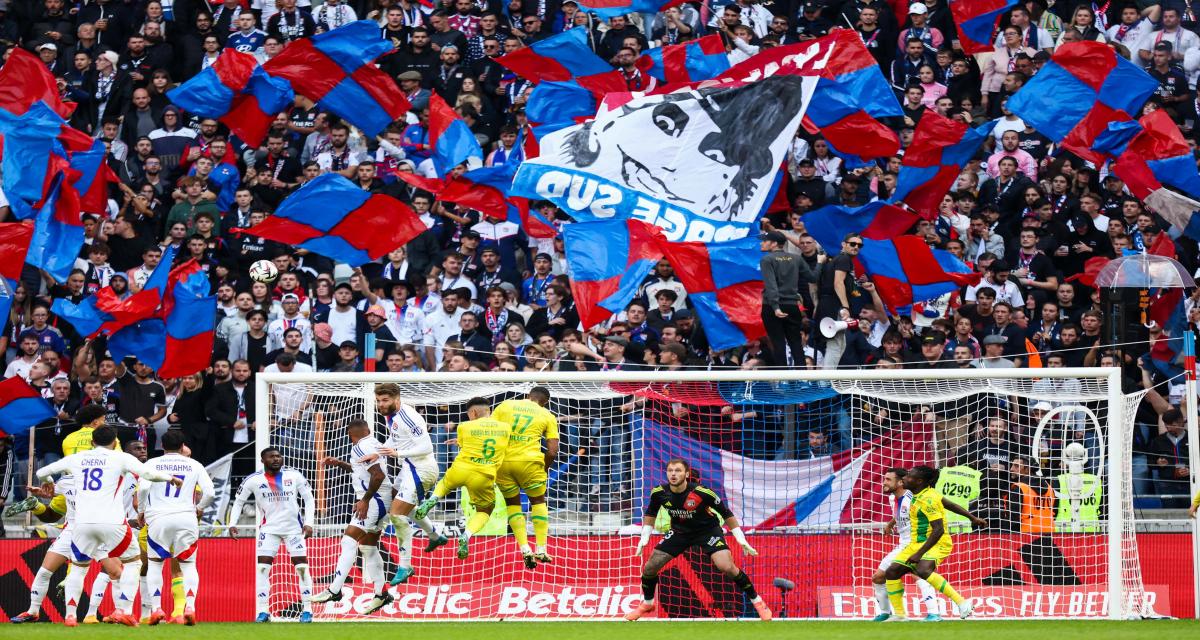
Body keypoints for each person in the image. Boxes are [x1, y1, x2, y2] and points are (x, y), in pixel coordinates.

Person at [34, 426, 181, 626]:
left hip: (82, 523)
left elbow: (42, 471)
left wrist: (49, 482)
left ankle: (70, 615)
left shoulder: (77, 459)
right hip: (112, 523)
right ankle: (125, 610)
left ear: (92, 442)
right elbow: (148, 473)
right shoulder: (120, 458)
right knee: (133, 562)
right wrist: (170, 478)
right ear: (114, 442)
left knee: (78, 568)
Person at [626, 458, 770, 621]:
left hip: (707, 531)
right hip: (679, 532)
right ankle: (648, 603)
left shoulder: (702, 492)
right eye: (670, 470)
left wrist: (740, 538)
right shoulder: (659, 492)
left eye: (678, 470)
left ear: (687, 474)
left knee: (726, 566)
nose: (673, 474)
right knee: (650, 567)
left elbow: (726, 513)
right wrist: (644, 536)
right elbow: (651, 513)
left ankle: (758, 602)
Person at [872, 467, 986, 621]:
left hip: (937, 542)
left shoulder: (928, 499)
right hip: (916, 542)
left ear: (919, 481)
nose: (905, 478)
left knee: (922, 570)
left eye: (909, 477)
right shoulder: (918, 494)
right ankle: (899, 615)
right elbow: (949, 504)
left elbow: (938, 530)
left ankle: (961, 603)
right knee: (892, 572)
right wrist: (972, 517)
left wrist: (919, 554)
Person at [360, 383, 448, 584]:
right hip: (408, 467)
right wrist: (380, 451)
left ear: (397, 399)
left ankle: (405, 566)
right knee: (398, 504)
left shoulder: (409, 416)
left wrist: (398, 454)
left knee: (397, 514)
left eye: (385, 400)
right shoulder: (391, 416)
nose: (381, 405)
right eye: (378, 401)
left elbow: (426, 446)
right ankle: (434, 535)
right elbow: (395, 438)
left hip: (422, 470)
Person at [311, 419, 394, 614]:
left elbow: (378, 475)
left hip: (374, 501)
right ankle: (380, 594)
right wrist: (340, 464)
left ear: (349, 433)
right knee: (367, 546)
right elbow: (364, 471)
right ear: (368, 430)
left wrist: (365, 500)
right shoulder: (372, 443)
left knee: (348, 541)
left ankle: (334, 589)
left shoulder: (359, 446)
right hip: (383, 500)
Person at [412, 397, 510, 560]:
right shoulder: (506, 428)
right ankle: (466, 536)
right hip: (484, 475)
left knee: (444, 483)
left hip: (461, 469)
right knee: (485, 511)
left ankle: (433, 499)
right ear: (489, 411)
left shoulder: (464, 426)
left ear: (472, 412)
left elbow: (470, 443)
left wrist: (459, 442)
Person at [228, 447, 316, 623]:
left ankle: (307, 610)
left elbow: (309, 498)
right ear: (263, 461)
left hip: (294, 530)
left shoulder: (294, 475)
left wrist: (309, 522)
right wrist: (232, 523)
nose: (276, 459)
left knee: (302, 568)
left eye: (278, 456)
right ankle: (263, 611)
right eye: (271, 457)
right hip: (269, 530)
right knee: (262, 569)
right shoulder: (253, 480)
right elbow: (238, 502)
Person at [136, 430, 214, 625]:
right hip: (186, 518)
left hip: (159, 518)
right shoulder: (194, 464)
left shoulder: (151, 464)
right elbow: (210, 493)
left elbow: (144, 489)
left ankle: (156, 609)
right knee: (188, 565)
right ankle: (190, 607)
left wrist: (142, 511)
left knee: (155, 564)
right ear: (182, 447)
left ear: (162, 446)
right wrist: (199, 508)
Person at [493, 386, 559, 568]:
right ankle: (541, 547)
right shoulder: (547, 415)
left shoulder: (505, 405)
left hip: (503, 463)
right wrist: (543, 468)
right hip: (530, 463)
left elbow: (490, 432)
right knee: (538, 502)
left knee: (513, 504)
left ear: (527, 396)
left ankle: (524, 548)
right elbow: (553, 450)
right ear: (545, 402)